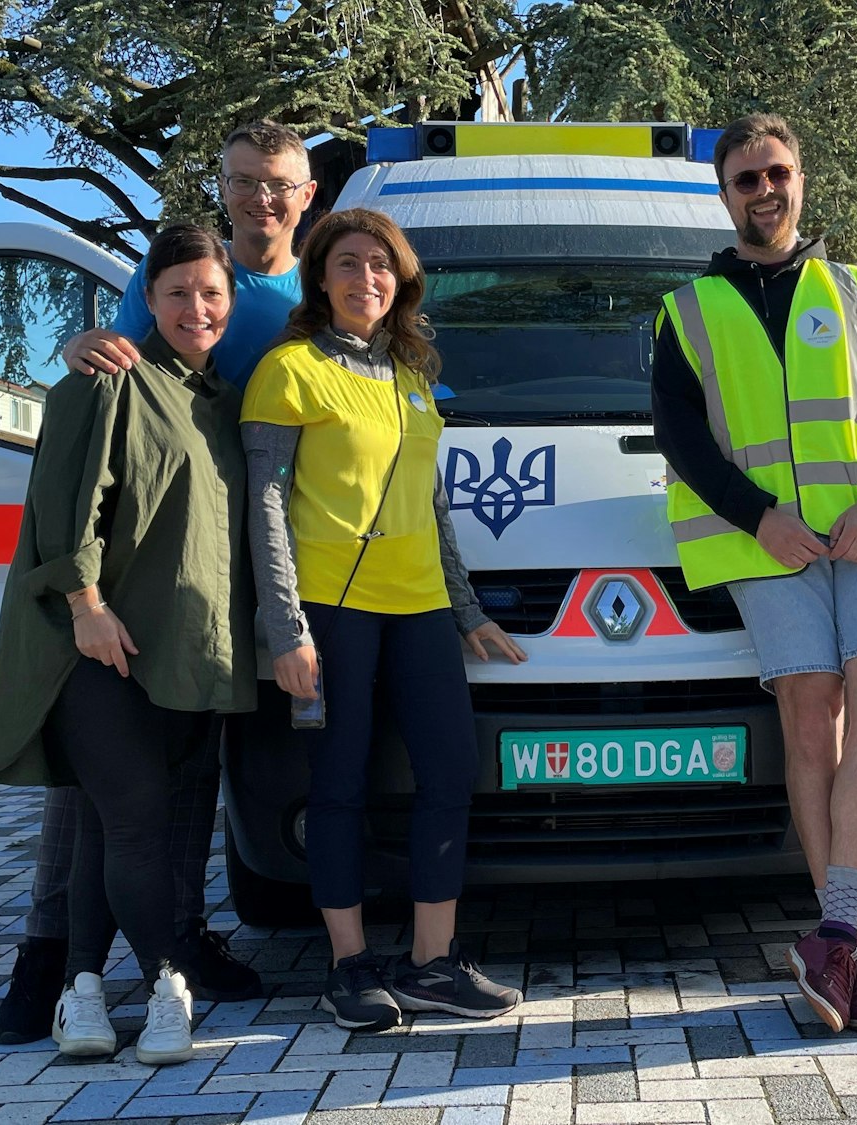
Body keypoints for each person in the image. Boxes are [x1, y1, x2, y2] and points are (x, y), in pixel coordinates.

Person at [0, 119, 318, 1044]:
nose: (262, 197)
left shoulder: (318, 289)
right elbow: (105, 388)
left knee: (183, 785)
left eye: (280, 183)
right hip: (135, 590)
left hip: (229, 584)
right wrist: (77, 342)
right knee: (100, 796)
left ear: (307, 196)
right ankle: (52, 959)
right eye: (245, 180)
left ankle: (174, 938)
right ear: (224, 188)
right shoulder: (179, 276)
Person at [651, 114, 857, 1036]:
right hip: (763, 543)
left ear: (801, 179)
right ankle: (848, 942)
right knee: (813, 707)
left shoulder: (856, 289)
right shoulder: (687, 310)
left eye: (777, 173)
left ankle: (837, 934)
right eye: (746, 178)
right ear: (724, 194)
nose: (764, 190)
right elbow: (681, 438)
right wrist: (759, 517)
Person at [240, 207, 527, 1032]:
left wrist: (465, 608)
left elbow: (432, 505)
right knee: (339, 784)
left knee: (449, 772)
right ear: (320, 277)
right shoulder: (288, 369)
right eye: (348, 262)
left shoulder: (409, 373)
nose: (365, 277)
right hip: (332, 608)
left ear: (400, 280)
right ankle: (350, 965)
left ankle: (433, 963)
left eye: (379, 264)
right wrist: (286, 627)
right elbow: (265, 508)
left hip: (421, 606)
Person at [0, 222, 257, 1065]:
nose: (196, 307)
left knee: (112, 831)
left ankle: (81, 990)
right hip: (100, 648)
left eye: (211, 292)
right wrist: (86, 603)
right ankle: (169, 988)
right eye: (177, 292)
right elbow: (63, 501)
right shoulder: (108, 379)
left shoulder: (222, 403)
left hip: (184, 653)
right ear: (147, 298)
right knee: (137, 824)